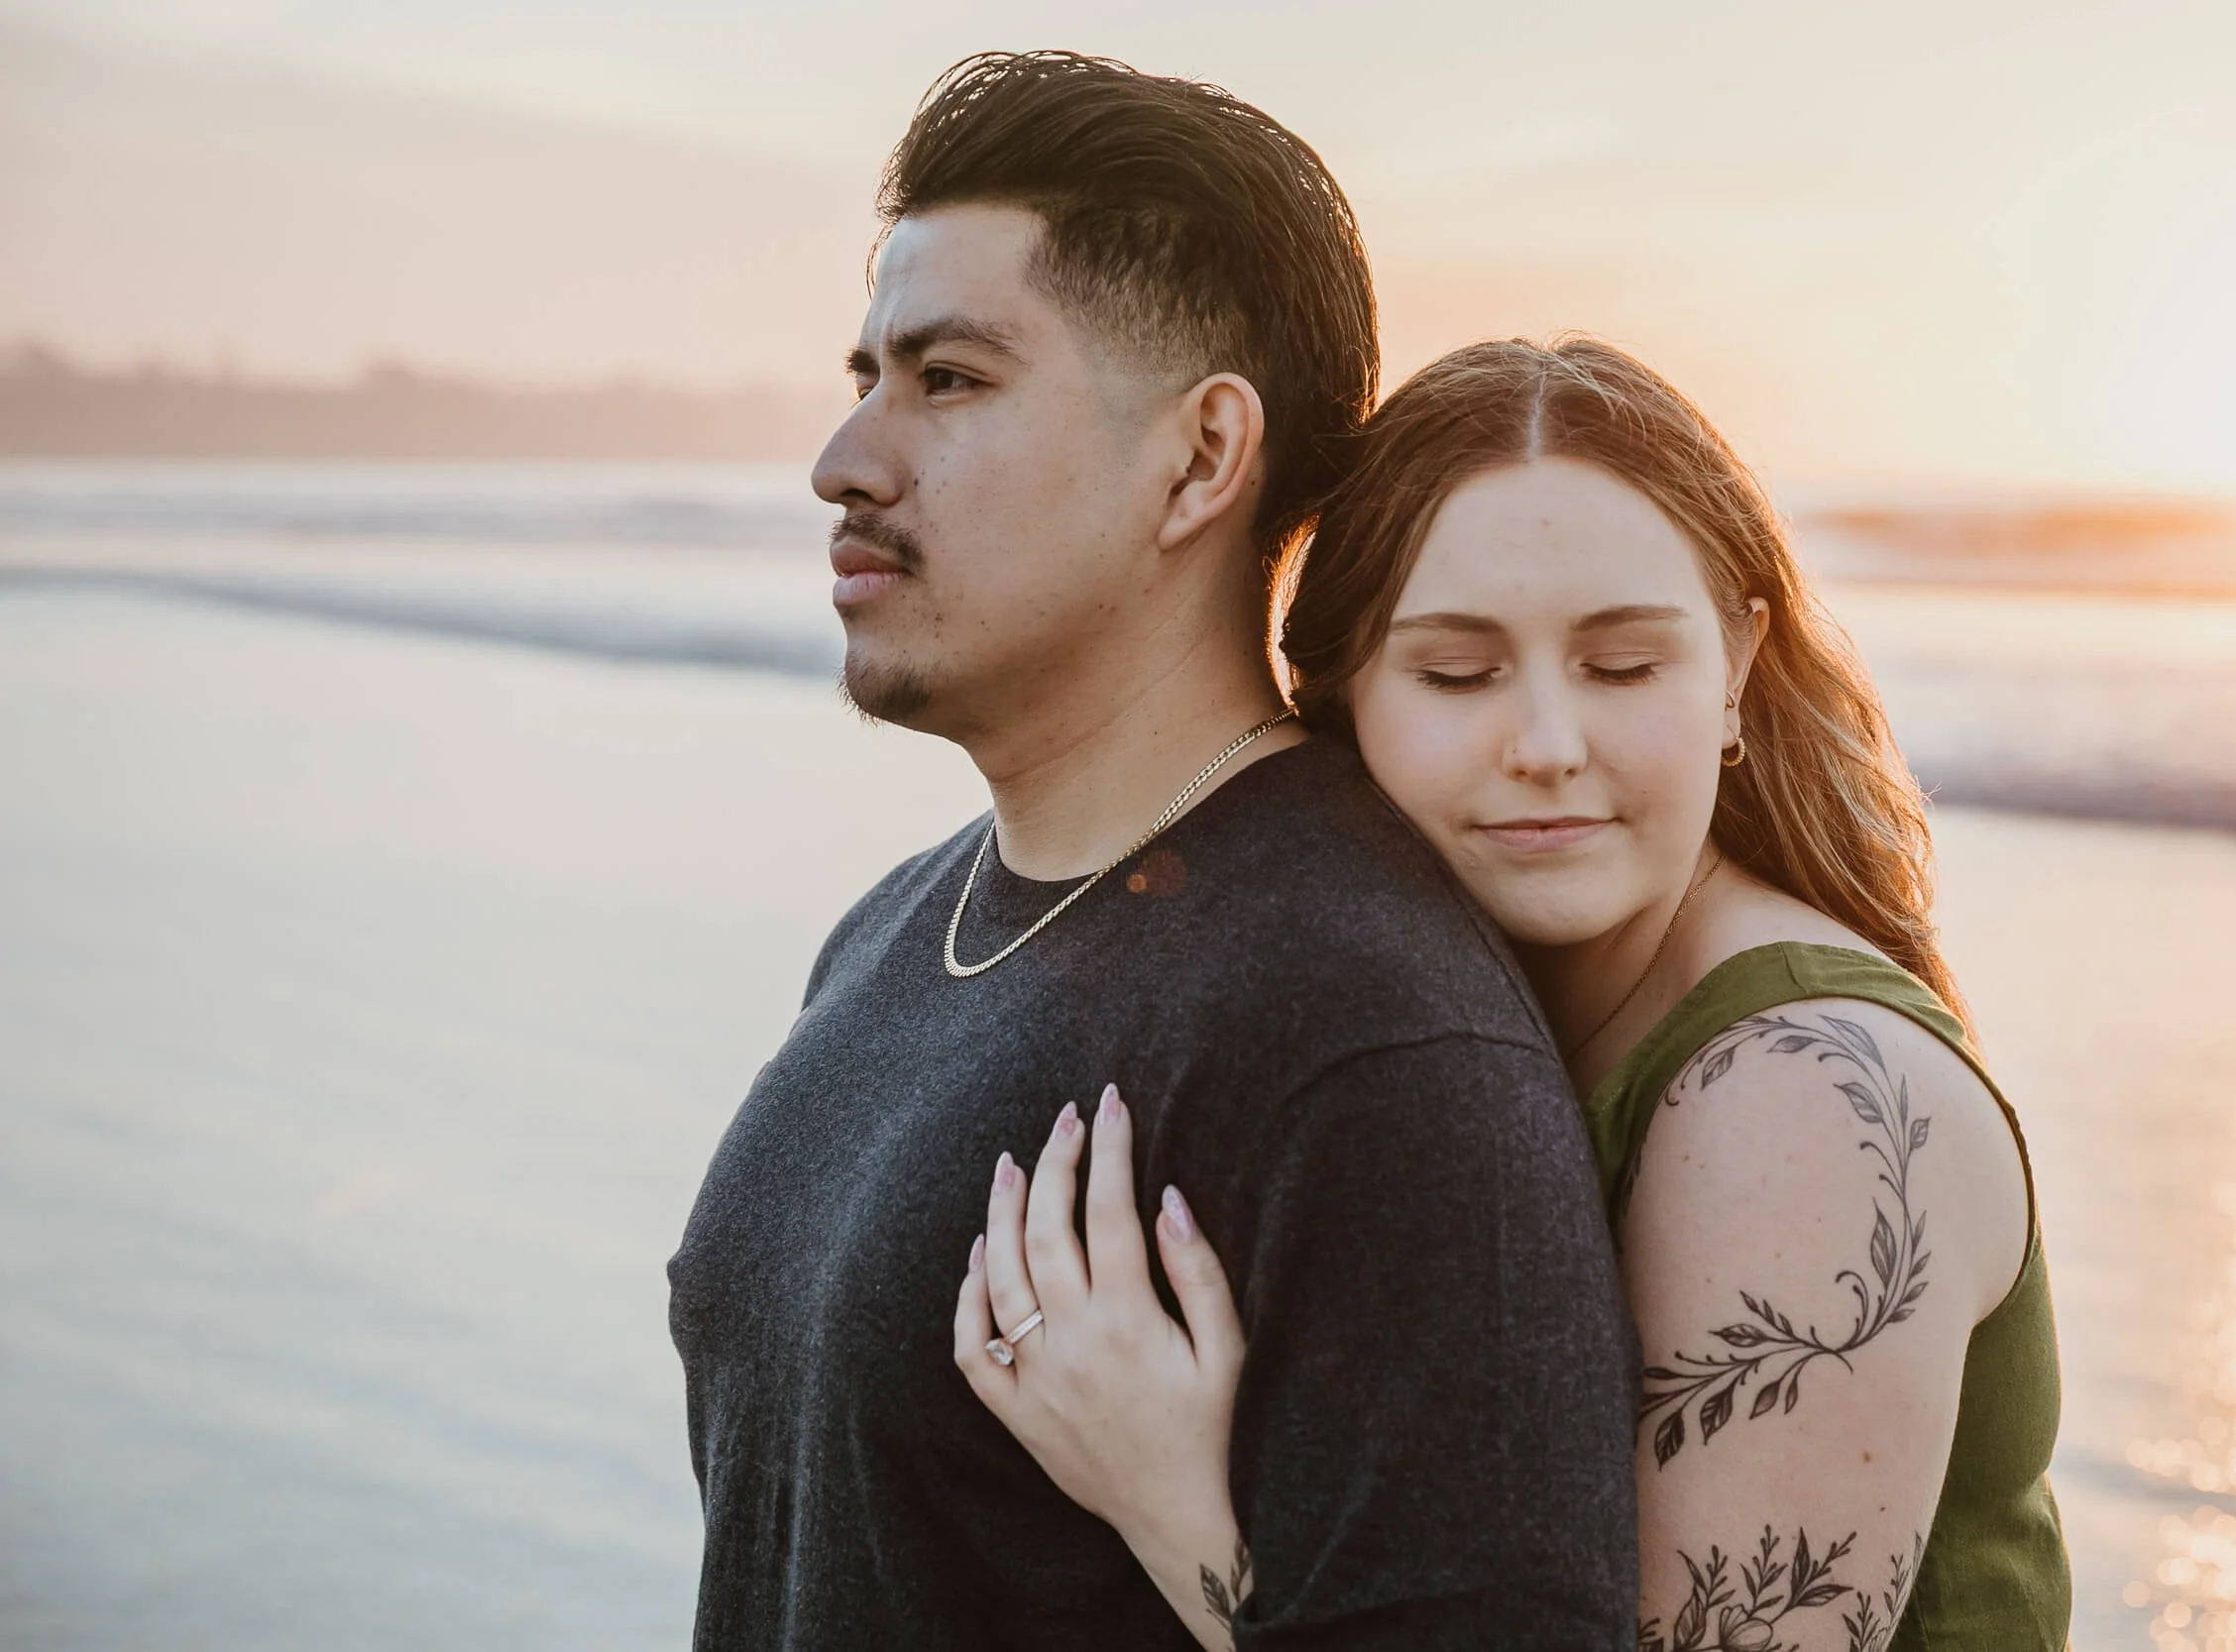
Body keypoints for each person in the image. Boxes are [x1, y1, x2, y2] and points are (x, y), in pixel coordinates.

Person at [665, 54, 1641, 1651]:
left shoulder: (1363, 1024)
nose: (846, 459)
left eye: (950, 379)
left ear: (1199, 459)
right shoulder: (891, 928)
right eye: (867, 374)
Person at [957, 338, 2073, 1651]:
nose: (1546, 746)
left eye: (1622, 665)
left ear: (1734, 672)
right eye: (1458, 672)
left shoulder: (1804, 1102)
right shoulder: (1426, 1025)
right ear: (1340, 698)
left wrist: (1174, 1503)